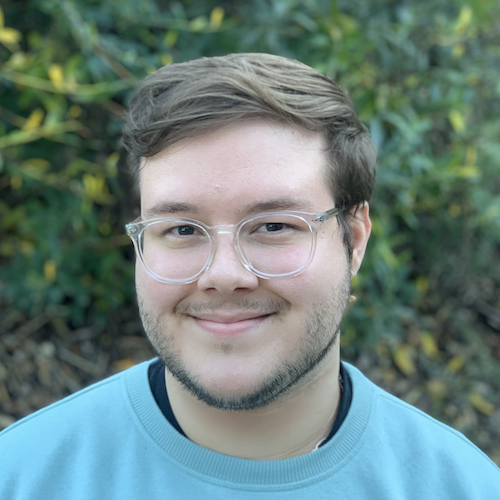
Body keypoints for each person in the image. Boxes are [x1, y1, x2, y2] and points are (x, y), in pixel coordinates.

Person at [0, 53, 498, 499]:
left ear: (356, 238)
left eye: (275, 226)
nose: (224, 275)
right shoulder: (21, 477)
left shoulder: (462, 487)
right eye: (181, 229)